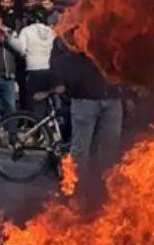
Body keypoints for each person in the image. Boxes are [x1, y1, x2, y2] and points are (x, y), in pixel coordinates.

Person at [52, 33, 123, 178]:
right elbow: (58, 60)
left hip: (112, 99)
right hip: (85, 99)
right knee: (80, 149)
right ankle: (76, 187)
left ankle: (102, 187)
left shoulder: (115, 31)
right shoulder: (72, 30)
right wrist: (64, 84)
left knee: (109, 148)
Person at [12, 9, 56, 117]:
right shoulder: (51, 31)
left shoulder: (26, 31)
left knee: (34, 100)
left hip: (33, 70)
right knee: (47, 97)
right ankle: (48, 124)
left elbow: (21, 50)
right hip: (48, 68)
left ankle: (37, 126)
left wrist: (11, 39)